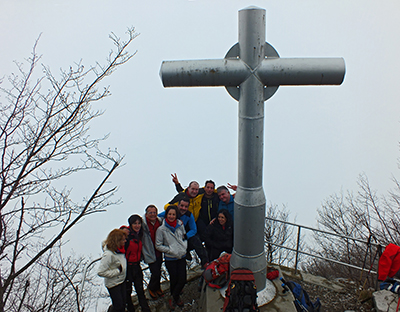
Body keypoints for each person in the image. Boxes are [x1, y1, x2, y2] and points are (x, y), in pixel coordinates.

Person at [159, 197, 208, 266]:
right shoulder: (171, 212)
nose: (183, 208)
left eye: (186, 206)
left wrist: (185, 236)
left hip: (183, 238)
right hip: (171, 239)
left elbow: (193, 229)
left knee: (195, 239)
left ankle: (205, 262)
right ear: (178, 205)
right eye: (182, 206)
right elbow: (157, 217)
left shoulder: (188, 215)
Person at [156, 205, 188, 310]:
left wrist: (184, 247)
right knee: (174, 279)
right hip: (170, 258)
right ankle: (175, 297)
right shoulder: (161, 229)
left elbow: (184, 236)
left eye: (173, 214)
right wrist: (170, 250)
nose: (171, 216)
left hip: (181, 256)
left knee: (182, 279)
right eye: (169, 214)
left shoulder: (180, 225)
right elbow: (158, 245)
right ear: (166, 215)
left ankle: (174, 296)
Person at [124, 215, 151, 312]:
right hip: (127, 267)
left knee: (140, 289)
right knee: (128, 291)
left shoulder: (140, 234)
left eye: (139, 223)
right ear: (130, 224)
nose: (137, 225)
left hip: (137, 265)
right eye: (134, 223)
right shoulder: (126, 236)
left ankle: (146, 309)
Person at [98, 229, 127, 312]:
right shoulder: (108, 254)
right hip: (113, 283)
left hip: (122, 280)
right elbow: (101, 272)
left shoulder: (120, 250)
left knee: (123, 304)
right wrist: (117, 272)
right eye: (123, 240)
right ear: (117, 240)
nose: (125, 241)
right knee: (118, 306)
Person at [142, 204, 164, 299]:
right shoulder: (143, 224)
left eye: (154, 213)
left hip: (159, 250)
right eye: (150, 213)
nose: (152, 215)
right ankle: (151, 288)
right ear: (146, 214)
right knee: (155, 272)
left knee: (158, 270)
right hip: (149, 252)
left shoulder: (160, 222)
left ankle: (157, 287)